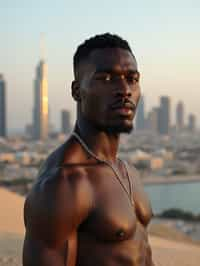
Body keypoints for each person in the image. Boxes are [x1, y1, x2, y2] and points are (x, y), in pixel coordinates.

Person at [23, 33, 154, 266]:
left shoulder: (128, 171)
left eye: (132, 79)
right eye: (105, 78)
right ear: (76, 91)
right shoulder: (64, 184)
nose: (124, 90)